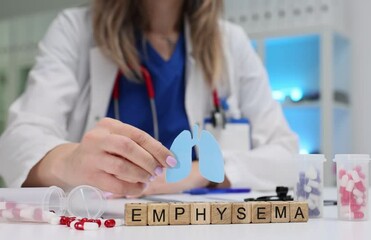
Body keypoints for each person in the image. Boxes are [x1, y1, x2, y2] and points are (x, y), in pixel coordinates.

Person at [0, 0, 298, 197]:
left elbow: (288, 155)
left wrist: (202, 173)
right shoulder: (75, 30)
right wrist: (69, 162)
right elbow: (19, 141)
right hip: (106, 225)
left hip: (202, 227)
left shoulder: (231, 42)